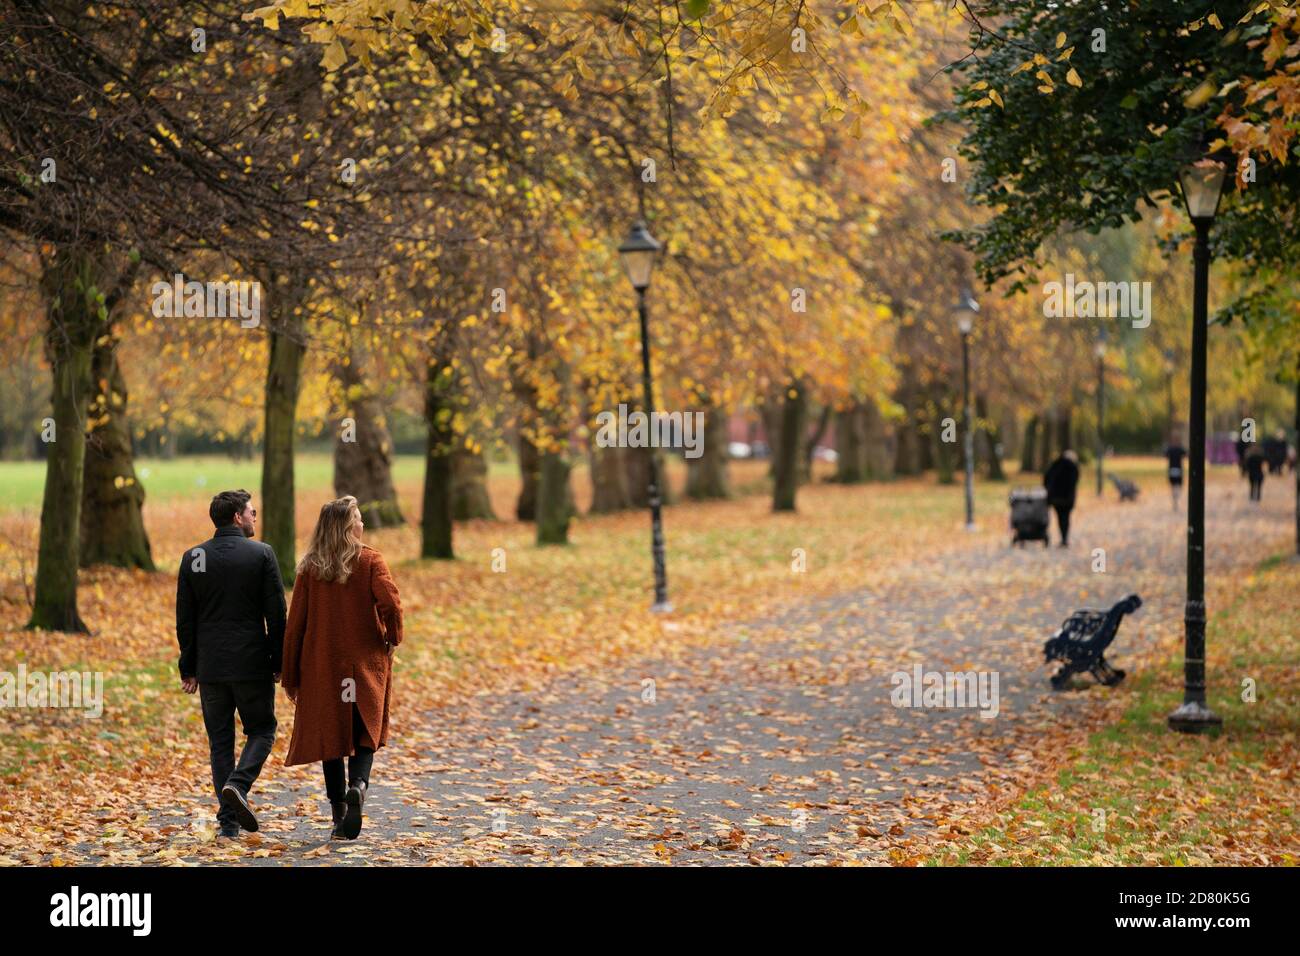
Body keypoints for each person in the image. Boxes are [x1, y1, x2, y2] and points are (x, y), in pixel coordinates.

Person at [281, 496, 404, 840]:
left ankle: (339, 813)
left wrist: (290, 675)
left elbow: (296, 626)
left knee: (330, 736)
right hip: (364, 659)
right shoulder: (370, 560)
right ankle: (360, 787)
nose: (363, 525)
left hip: (323, 664)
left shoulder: (310, 569)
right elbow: (391, 604)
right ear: (348, 527)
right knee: (366, 726)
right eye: (359, 519)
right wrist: (393, 637)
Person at [176, 489, 286, 839]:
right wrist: (279, 660)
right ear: (238, 517)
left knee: (220, 742)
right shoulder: (261, 555)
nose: (255, 516)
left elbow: (185, 620)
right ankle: (238, 785)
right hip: (251, 663)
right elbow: (277, 615)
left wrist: (188, 667)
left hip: (211, 668)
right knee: (263, 730)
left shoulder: (193, 557)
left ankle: (228, 824)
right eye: (252, 511)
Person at [1043, 449, 1080, 547]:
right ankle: (1064, 538)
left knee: (1060, 517)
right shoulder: (1073, 467)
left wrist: (1049, 490)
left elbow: (1046, 478)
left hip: (1055, 497)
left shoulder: (1055, 464)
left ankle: (1063, 538)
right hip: (1067, 498)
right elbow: (1075, 481)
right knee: (1066, 518)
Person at [1165, 437, 1186, 511]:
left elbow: (1165, 455)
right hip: (1178, 469)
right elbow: (1185, 454)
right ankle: (1176, 498)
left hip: (1172, 469)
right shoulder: (1180, 449)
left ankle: (1175, 499)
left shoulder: (1170, 449)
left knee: (1173, 486)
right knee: (1178, 486)